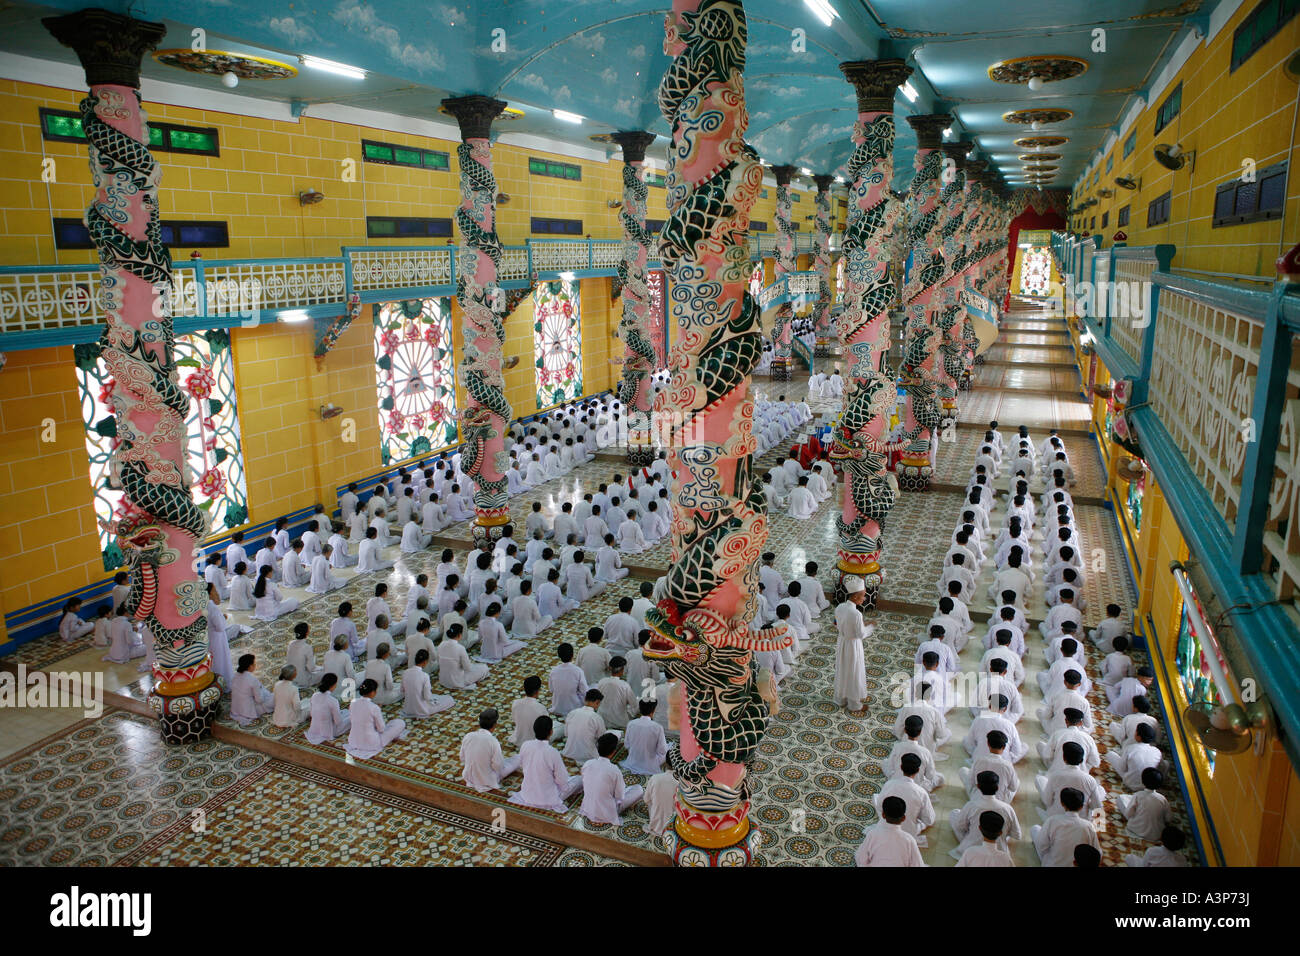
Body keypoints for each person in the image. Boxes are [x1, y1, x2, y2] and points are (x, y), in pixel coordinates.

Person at [950, 770, 1021, 860]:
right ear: (998, 787)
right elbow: (1017, 835)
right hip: (998, 848)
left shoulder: (972, 805)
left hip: (972, 847)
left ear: (978, 786)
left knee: (954, 813)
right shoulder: (1008, 809)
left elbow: (959, 826)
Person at [580, 733, 645, 825]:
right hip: (607, 812)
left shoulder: (588, 764)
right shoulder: (614, 769)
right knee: (638, 789)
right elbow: (620, 796)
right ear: (614, 751)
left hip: (588, 807)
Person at [875, 753, 936, 847]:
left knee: (876, 797)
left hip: (887, 825)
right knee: (919, 822)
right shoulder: (921, 793)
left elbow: (879, 806)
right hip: (908, 832)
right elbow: (929, 820)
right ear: (918, 770)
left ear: (901, 766)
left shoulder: (889, 784)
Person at [1031, 789, 1099, 866]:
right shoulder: (1089, 826)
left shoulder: (1053, 820)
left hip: (1052, 864)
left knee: (1035, 829)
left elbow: (1041, 846)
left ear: (1062, 804)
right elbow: (1097, 852)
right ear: (1081, 807)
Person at [833, 575, 871, 712]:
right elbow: (861, 634)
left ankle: (840, 699)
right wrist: (870, 627)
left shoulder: (840, 607)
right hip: (853, 645)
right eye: (863, 596)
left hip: (842, 642)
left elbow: (837, 624)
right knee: (854, 672)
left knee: (843, 669)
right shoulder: (856, 614)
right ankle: (855, 704)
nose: (864, 598)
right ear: (855, 597)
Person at [461, 708, 521, 792]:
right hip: (488, 780)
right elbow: (498, 767)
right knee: (518, 758)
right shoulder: (493, 741)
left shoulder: (468, 736)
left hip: (468, 776)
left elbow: (462, 758)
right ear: (494, 725)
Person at [854, 795, 925, 867]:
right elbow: (918, 864)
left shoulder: (872, 834)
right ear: (903, 818)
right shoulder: (909, 840)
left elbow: (861, 859)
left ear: (883, 815)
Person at [345, 678, 407, 759]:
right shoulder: (374, 707)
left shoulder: (352, 703)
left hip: (354, 741)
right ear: (373, 692)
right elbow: (381, 729)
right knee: (400, 723)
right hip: (372, 744)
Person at [512, 675, 565, 747]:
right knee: (563, 727)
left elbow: (515, 720)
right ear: (537, 691)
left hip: (519, 738)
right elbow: (545, 730)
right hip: (536, 741)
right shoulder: (540, 708)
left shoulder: (515, 703)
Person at [563, 689, 610, 765]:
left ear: (585, 699)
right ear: (597, 702)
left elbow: (566, 734)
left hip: (569, 752)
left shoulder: (572, 713)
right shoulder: (596, 717)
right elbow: (602, 739)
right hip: (588, 756)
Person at [622, 698, 668, 775]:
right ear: (653, 711)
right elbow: (662, 750)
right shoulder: (657, 727)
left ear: (640, 710)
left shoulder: (631, 723)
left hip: (633, 760)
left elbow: (626, 745)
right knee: (668, 751)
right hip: (650, 764)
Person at [438, 623, 489, 689]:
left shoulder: (441, 644)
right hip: (457, 681)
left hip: (443, 680)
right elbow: (467, 668)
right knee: (484, 668)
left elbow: (440, 662)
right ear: (459, 635)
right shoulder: (460, 648)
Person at [305, 673, 351, 744]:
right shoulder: (332, 701)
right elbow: (338, 722)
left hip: (314, 728)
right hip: (329, 731)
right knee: (351, 717)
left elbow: (312, 714)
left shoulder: (314, 695)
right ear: (333, 685)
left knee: (345, 712)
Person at [230, 654, 274, 726]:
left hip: (236, 709)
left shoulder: (235, 676)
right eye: (254, 664)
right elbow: (260, 700)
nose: (255, 665)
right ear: (250, 666)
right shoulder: (252, 679)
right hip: (249, 710)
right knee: (274, 698)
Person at [597, 657, 639, 730]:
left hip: (603, 720)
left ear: (610, 669)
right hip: (620, 722)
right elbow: (634, 704)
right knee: (638, 702)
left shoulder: (601, 682)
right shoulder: (624, 685)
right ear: (622, 670)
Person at [549, 643, 589, 715]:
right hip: (574, 708)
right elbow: (585, 691)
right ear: (572, 655)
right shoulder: (578, 671)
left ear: (559, 656)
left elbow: (551, 689)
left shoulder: (553, 671)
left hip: (557, 707)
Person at [1125, 826, 1190, 867]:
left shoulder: (1153, 851)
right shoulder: (1183, 860)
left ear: (1161, 839)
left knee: (1129, 857)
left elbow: (1144, 865)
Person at [284, 621, 321, 688]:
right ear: (307, 633)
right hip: (303, 680)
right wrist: (320, 668)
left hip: (290, 677)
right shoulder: (307, 647)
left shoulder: (290, 643)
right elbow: (311, 668)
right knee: (324, 672)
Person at [645, 770, 677, 840]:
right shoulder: (684, 783)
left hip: (655, 826)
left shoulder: (655, 778)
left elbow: (646, 799)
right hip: (674, 828)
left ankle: (655, 822)